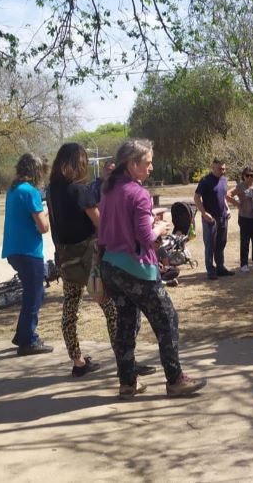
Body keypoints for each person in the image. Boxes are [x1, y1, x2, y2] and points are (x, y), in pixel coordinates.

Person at [98, 139, 206, 399]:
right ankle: (175, 379)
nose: (151, 167)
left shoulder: (108, 190)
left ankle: (127, 382)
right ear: (132, 164)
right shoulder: (138, 194)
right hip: (137, 270)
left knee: (126, 322)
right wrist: (161, 227)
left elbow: (111, 228)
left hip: (111, 267)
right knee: (167, 320)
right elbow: (147, 237)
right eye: (147, 163)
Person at [48, 144, 122, 377]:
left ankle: (77, 361)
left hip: (65, 257)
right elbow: (100, 222)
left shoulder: (51, 190)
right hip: (88, 259)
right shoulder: (80, 191)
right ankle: (124, 359)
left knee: (70, 310)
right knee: (111, 309)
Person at [2, 153, 53, 356]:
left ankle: (23, 334)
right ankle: (28, 340)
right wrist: (48, 211)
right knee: (35, 295)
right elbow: (43, 227)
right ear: (37, 171)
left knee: (31, 294)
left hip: (13, 249)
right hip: (29, 250)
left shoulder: (13, 190)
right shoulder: (31, 192)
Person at [194, 159, 233, 280]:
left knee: (221, 243)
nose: (223, 171)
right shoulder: (205, 181)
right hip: (210, 219)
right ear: (213, 167)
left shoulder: (224, 180)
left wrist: (228, 209)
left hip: (223, 217)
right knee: (210, 244)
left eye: (224, 168)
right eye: (220, 168)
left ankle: (220, 268)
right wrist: (204, 213)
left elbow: (224, 196)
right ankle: (210, 270)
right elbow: (196, 198)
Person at [229, 166, 253, 272]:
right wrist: (237, 204)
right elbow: (228, 195)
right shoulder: (241, 186)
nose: (250, 177)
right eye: (247, 175)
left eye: (252, 175)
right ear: (243, 176)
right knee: (245, 241)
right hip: (245, 218)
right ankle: (244, 264)